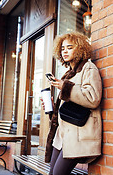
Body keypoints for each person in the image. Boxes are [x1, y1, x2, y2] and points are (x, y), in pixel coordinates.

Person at [44, 31, 102, 175]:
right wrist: (51, 107)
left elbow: (93, 98)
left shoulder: (88, 68)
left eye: (69, 47)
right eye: (62, 48)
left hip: (78, 134)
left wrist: (65, 87)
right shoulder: (70, 73)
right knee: (52, 173)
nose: (65, 51)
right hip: (63, 134)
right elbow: (70, 103)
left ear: (80, 48)